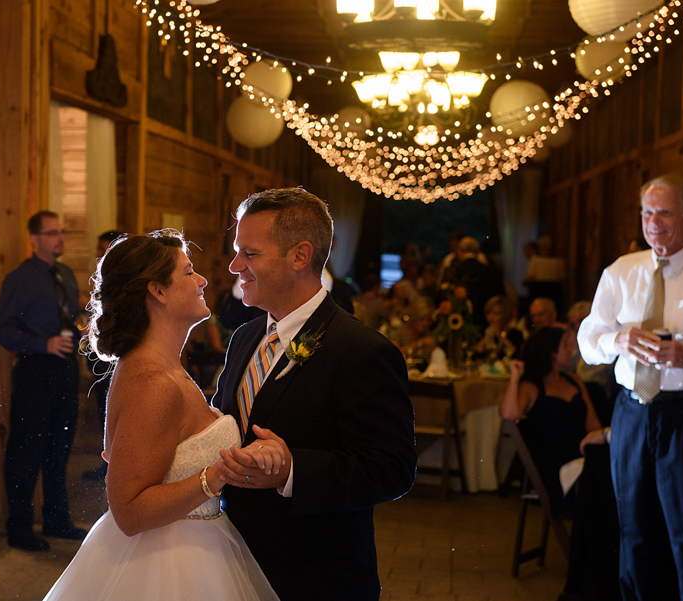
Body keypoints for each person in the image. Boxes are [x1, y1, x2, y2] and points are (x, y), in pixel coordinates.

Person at [42, 230, 278, 601]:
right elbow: (130, 511)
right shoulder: (154, 382)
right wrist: (218, 474)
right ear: (158, 291)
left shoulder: (163, 367)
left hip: (195, 545)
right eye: (188, 272)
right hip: (167, 562)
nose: (202, 281)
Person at [212, 187, 417, 601]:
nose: (234, 266)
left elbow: (392, 469)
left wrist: (292, 470)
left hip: (315, 576)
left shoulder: (364, 352)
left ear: (300, 257)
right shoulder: (246, 337)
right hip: (231, 563)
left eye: (249, 254)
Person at [578, 175, 683, 600]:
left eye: (664, 212)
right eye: (646, 212)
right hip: (631, 413)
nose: (653, 222)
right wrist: (617, 340)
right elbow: (587, 339)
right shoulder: (622, 270)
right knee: (633, 529)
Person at [500, 327, 620, 601]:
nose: (573, 350)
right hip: (560, 473)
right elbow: (509, 414)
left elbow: (593, 428)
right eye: (567, 345)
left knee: (609, 471)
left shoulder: (575, 381)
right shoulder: (531, 387)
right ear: (552, 353)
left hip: (584, 462)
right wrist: (515, 378)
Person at [0, 210, 86, 552]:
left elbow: (70, 316)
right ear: (34, 240)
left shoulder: (64, 274)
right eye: (51, 234)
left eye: (60, 233)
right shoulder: (20, 278)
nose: (59, 239)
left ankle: (57, 519)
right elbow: (1, 330)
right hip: (34, 370)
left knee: (60, 448)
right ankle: (19, 528)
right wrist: (41, 344)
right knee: (25, 450)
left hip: (65, 370)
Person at [82, 230, 123, 482]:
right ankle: (108, 462)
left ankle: (117, 466)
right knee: (105, 415)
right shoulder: (103, 281)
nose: (98, 254)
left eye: (103, 249)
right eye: (97, 249)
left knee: (118, 417)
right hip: (100, 363)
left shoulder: (123, 285)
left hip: (116, 364)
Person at [472, 295, 523, 361]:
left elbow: (516, 354)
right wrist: (487, 337)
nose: (491, 317)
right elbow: (473, 354)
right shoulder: (480, 332)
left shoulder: (516, 334)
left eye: (496, 313)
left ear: (505, 315)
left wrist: (500, 335)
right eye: (489, 312)